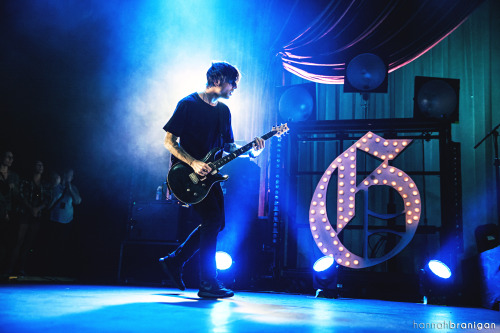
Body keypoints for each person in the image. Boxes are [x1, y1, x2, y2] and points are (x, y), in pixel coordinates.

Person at [159, 61, 265, 298]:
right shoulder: (188, 104)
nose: (234, 88)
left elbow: (228, 146)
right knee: (213, 219)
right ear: (217, 80)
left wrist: (252, 150)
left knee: (217, 223)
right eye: (232, 83)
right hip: (186, 176)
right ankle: (207, 283)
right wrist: (193, 162)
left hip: (210, 178)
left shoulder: (223, 111)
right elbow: (169, 142)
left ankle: (175, 261)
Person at [8, 160, 47, 275]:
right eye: (38, 165)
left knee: (28, 244)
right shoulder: (25, 181)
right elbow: (20, 195)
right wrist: (31, 208)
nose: (40, 167)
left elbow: (47, 199)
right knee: (18, 242)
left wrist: (37, 209)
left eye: (42, 165)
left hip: (36, 216)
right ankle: (9, 268)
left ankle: (21, 269)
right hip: (25, 214)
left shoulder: (44, 183)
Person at [46, 169, 81, 276]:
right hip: (53, 219)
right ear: (63, 174)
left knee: (61, 246)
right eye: (68, 175)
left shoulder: (73, 188)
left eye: (71, 176)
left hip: (67, 221)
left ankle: (58, 271)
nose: (69, 177)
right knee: (50, 245)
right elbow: (48, 199)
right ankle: (47, 269)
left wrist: (69, 188)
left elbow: (78, 201)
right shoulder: (55, 185)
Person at [0, 150, 19, 274]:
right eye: (8, 157)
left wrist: (13, 188)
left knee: (5, 241)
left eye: (12, 158)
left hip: (9, 212)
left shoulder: (14, 176)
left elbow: (17, 196)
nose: (10, 160)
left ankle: (3, 270)